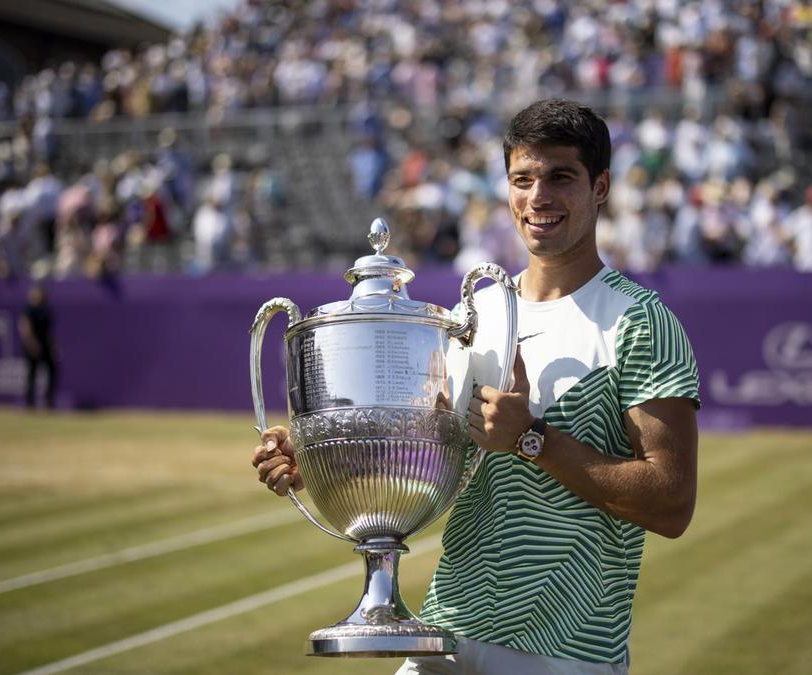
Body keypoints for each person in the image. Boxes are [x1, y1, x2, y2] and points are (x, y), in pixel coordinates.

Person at [253, 99, 701, 674]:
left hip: (565, 655)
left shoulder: (641, 320)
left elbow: (672, 502)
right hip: (446, 636)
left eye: (561, 177)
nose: (539, 197)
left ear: (601, 187)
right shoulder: (474, 315)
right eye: (523, 179)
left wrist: (532, 439)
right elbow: (423, 460)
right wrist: (315, 458)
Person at [19, 282, 58, 408]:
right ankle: (30, 402)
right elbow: (25, 326)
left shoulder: (46, 310)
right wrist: (31, 342)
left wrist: (52, 345)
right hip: (33, 345)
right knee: (32, 373)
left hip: (45, 344)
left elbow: (49, 331)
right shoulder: (29, 309)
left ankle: (48, 400)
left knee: (52, 370)